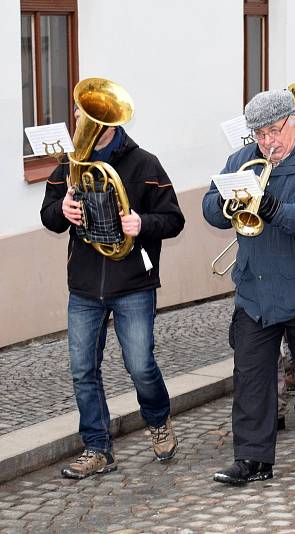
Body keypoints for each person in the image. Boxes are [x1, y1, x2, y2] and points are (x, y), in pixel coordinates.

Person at [203, 89, 295, 485]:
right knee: (251, 377)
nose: (267, 142)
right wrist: (225, 205)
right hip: (255, 289)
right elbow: (210, 206)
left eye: (274, 131)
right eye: (259, 134)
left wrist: (274, 209)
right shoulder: (242, 159)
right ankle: (252, 458)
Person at [41, 104, 185, 479]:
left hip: (133, 283)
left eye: (83, 117)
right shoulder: (70, 165)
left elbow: (174, 219)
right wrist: (64, 210)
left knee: (140, 364)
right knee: (82, 370)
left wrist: (143, 223)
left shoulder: (145, 164)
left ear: (109, 122)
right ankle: (97, 447)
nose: (78, 122)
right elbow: (49, 216)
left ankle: (158, 420)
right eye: (77, 116)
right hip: (85, 285)